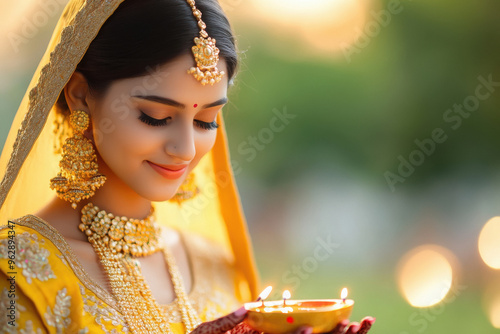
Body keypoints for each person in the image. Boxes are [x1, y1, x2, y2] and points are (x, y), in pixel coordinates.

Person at [0, 0, 374, 333]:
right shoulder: (16, 271)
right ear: (81, 95)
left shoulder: (214, 265)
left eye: (206, 121)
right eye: (157, 116)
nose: (185, 149)